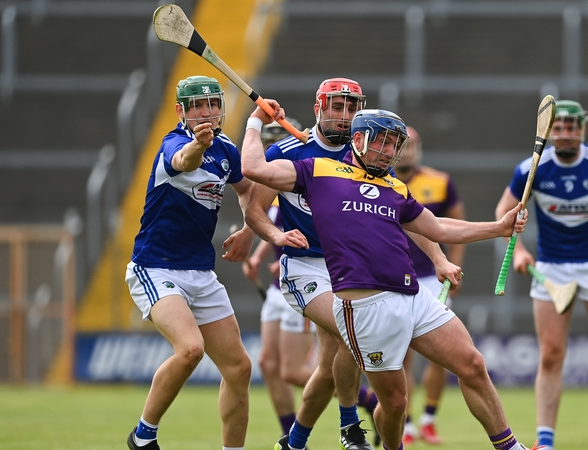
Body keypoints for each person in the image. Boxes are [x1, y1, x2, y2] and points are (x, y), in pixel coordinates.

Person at [242, 104, 540, 450]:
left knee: (472, 364)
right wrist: (254, 123)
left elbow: (439, 226)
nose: (388, 152)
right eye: (381, 142)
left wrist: (498, 228)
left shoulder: (395, 188)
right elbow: (253, 168)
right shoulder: (317, 170)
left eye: (394, 145)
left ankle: (511, 447)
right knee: (395, 404)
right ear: (357, 139)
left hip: (412, 295)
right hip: (366, 307)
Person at [243, 78, 390, 450]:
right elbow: (255, 212)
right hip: (304, 267)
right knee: (349, 331)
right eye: (337, 107)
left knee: (327, 369)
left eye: (352, 108)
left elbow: (405, 211)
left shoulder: (363, 157)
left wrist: (437, 257)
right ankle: (348, 427)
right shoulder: (287, 152)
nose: (345, 116)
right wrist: (275, 238)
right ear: (318, 109)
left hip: (348, 268)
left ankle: (294, 442)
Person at [494, 100, 588, 450]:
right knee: (550, 354)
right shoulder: (531, 169)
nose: (565, 134)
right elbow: (504, 212)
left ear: (582, 129)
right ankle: (545, 442)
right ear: (550, 131)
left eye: (572, 127)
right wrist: (518, 250)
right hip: (551, 266)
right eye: (558, 127)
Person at [124, 75, 255, 450]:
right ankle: (143, 436)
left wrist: (249, 227)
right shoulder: (175, 144)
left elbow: (248, 190)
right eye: (197, 105)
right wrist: (198, 144)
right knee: (191, 349)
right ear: (181, 111)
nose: (207, 112)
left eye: (212, 104)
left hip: (200, 272)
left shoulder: (227, 150)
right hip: (155, 266)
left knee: (240, 369)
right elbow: (184, 161)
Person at [242, 119, 319, 438]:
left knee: (292, 370)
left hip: (300, 281)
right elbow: (267, 224)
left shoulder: (299, 181)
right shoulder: (270, 194)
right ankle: (289, 435)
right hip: (277, 290)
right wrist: (258, 258)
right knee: (268, 365)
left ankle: (364, 400)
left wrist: (280, 256)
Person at [394, 127, 466, 446]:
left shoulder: (439, 181)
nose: (407, 151)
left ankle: (429, 420)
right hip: (395, 277)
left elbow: (457, 223)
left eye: (412, 146)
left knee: (441, 354)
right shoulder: (379, 182)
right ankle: (407, 424)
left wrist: (453, 264)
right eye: (402, 146)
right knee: (403, 355)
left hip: (432, 277)